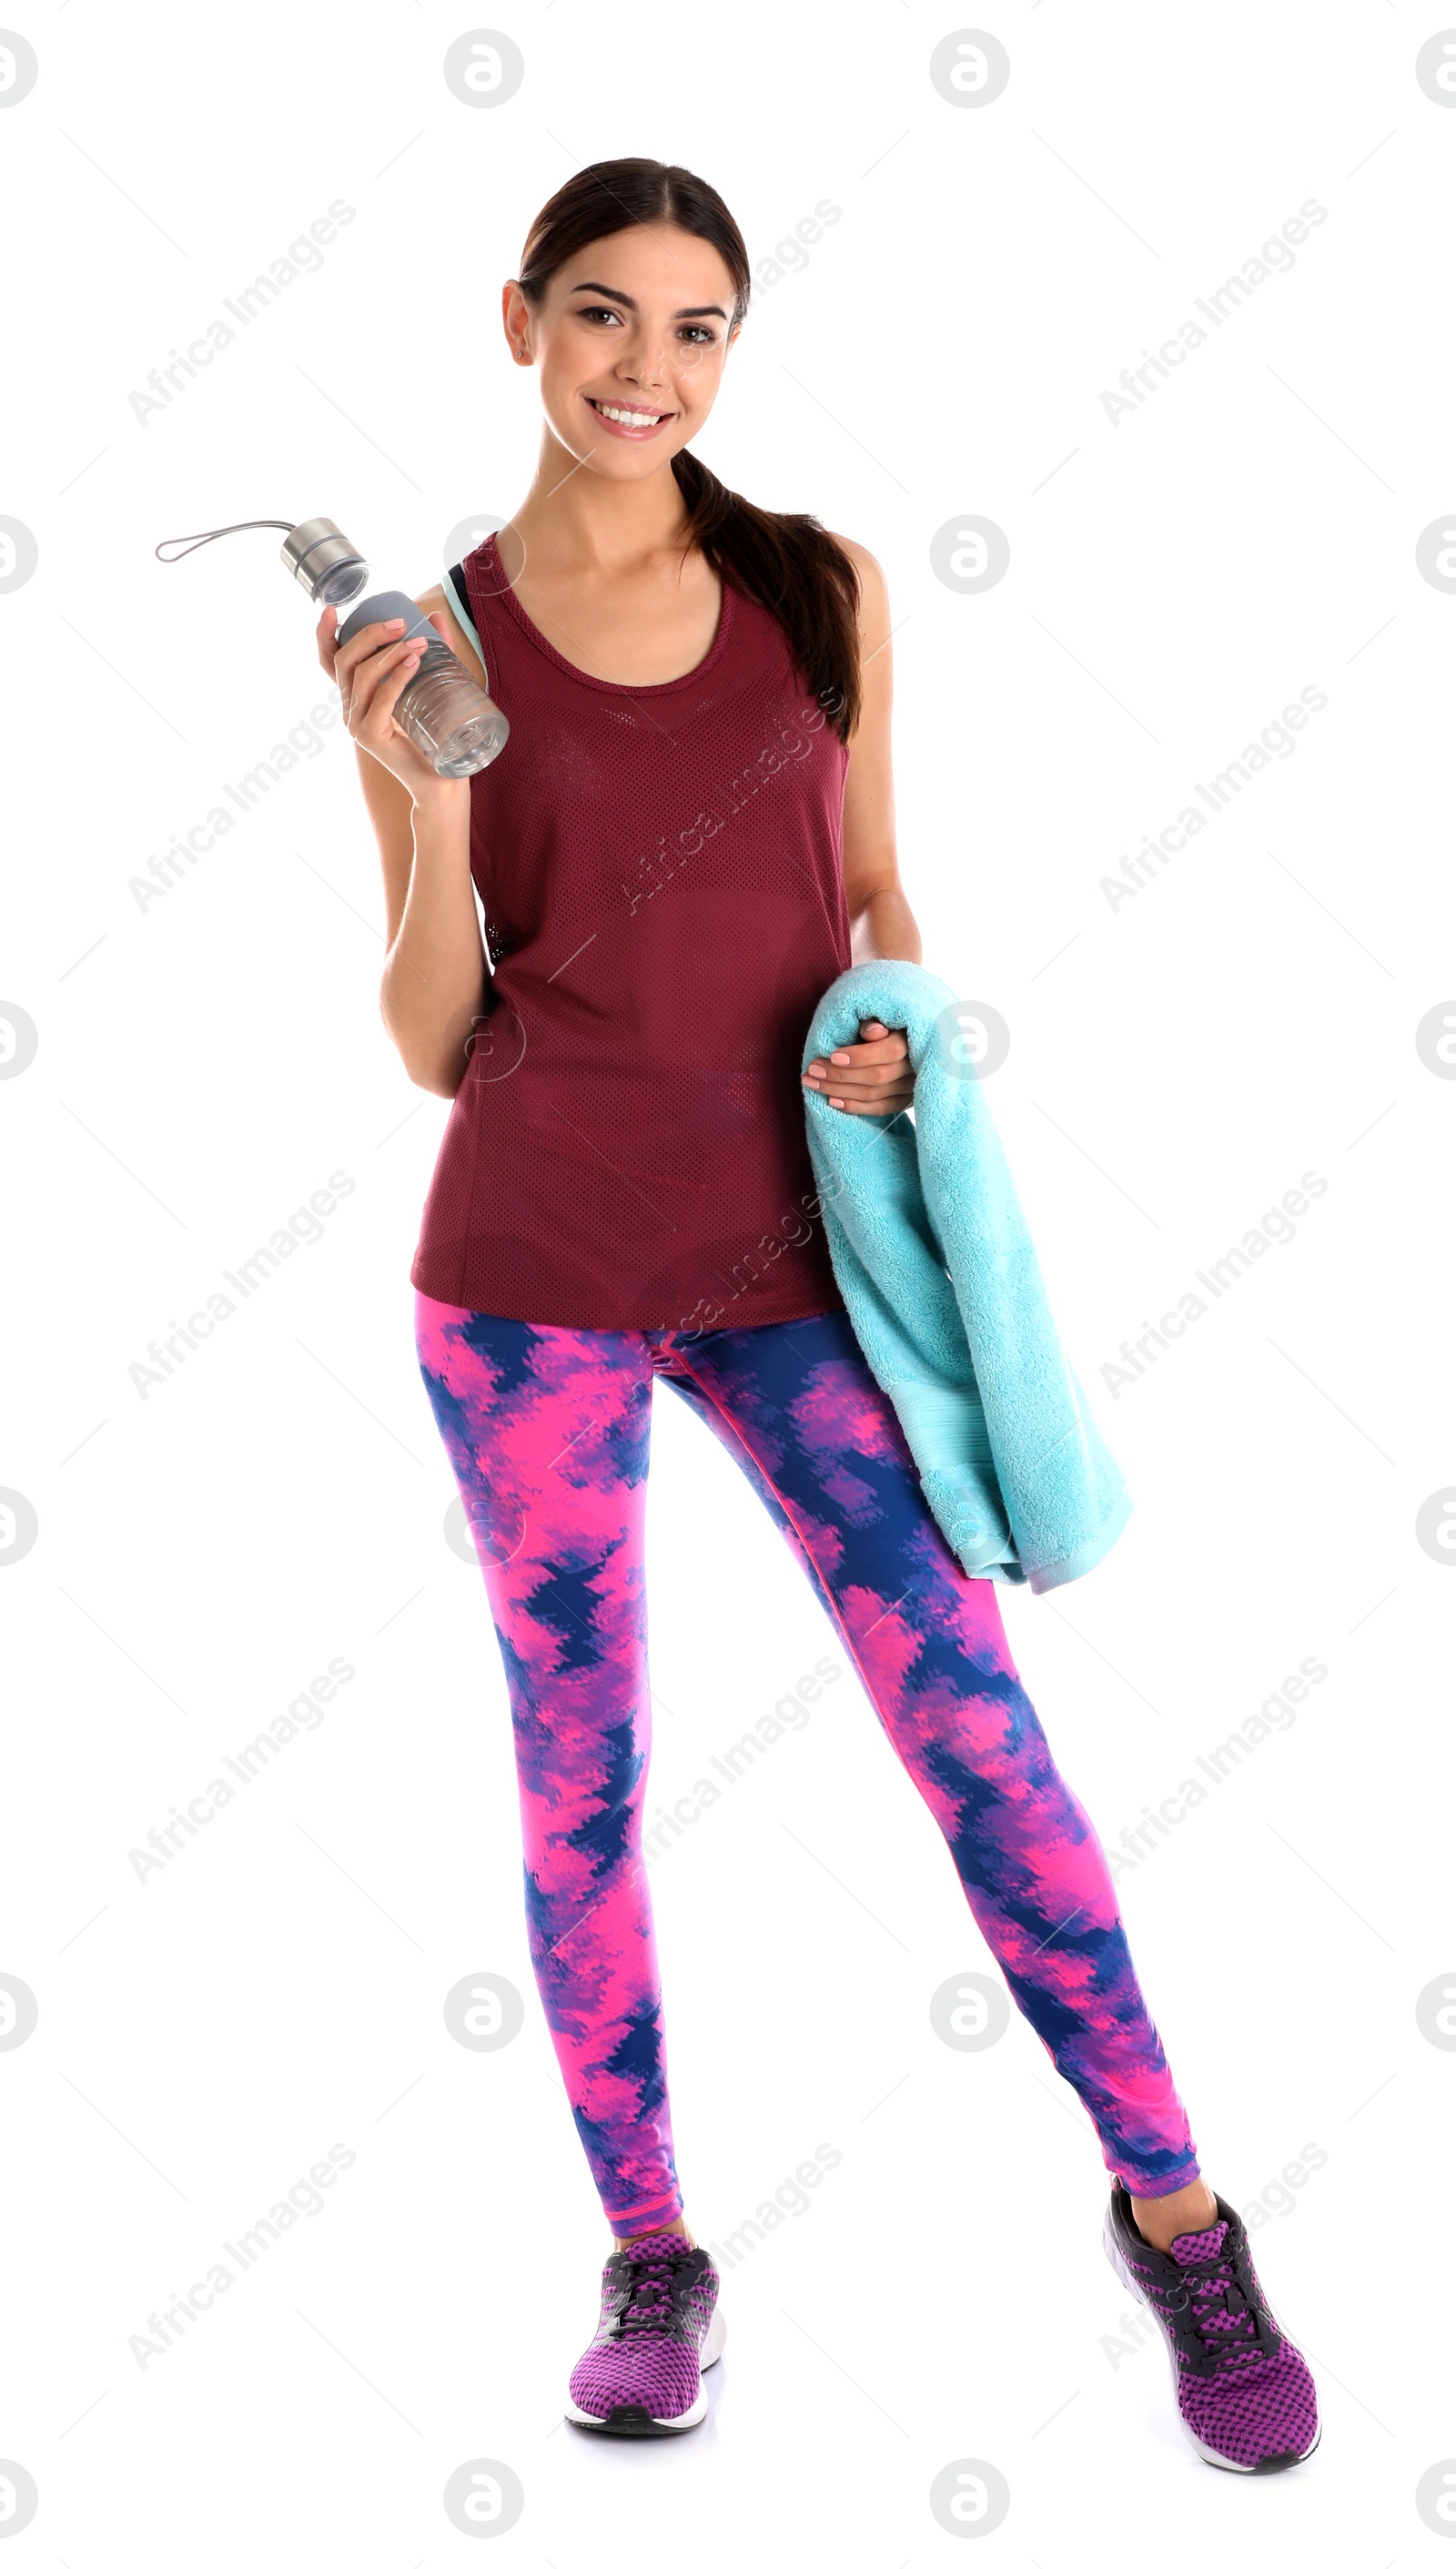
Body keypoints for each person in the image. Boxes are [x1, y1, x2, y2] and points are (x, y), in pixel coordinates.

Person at [317, 157, 1319, 2473]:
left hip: (791, 1267)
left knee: (968, 1718)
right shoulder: (431, 627)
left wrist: (889, 1021)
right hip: (530, 1271)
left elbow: (872, 891)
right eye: (598, 315)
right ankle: (650, 2252)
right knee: (581, 1786)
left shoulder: (818, 588)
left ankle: (1172, 2208)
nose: (640, 367)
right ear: (515, 322)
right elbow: (426, 1036)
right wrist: (422, 786)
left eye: (689, 326)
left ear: (727, 354)